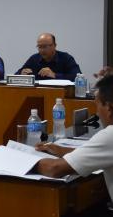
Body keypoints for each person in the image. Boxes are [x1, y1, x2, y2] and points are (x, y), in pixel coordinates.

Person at [34, 75, 113, 203]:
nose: (98, 113)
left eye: (97, 105)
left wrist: (23, 162)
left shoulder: (110, 135)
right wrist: (62, 151)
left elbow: (54, 169)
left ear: (109, 107)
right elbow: (98, 153)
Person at [16, 33, 81, 80]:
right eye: (39, 47)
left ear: (54, 46)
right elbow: (16, 74)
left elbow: (77, 77)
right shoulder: (34, 58)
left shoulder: (66, 58)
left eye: (45, 47)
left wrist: (54, 75)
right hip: (38, 92)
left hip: (60, 93)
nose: (42, 50)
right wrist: (21, 73)